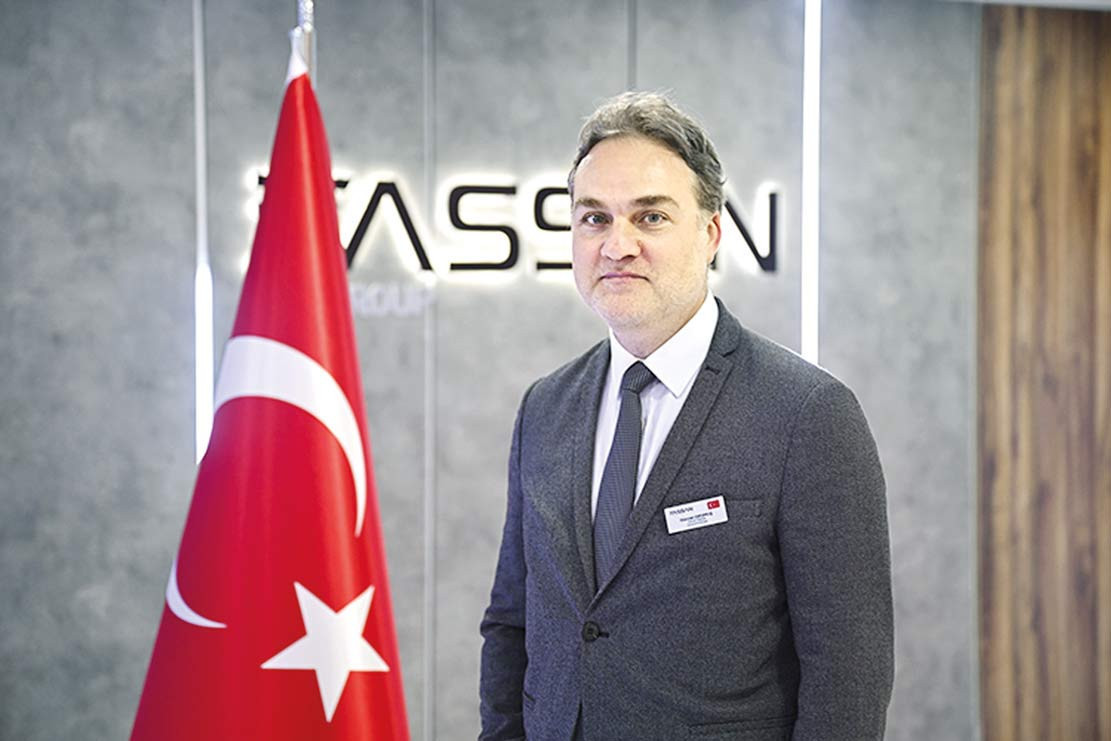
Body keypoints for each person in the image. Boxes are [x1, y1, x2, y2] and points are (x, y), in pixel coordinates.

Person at [479, 91, 893, 741]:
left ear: (710, 234)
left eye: (650, 216)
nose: (617, 245)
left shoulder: (806, 414)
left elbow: (848, 673)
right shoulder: (545, 407)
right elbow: (513, 624)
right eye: (594, 218)